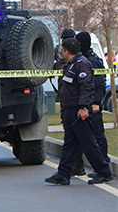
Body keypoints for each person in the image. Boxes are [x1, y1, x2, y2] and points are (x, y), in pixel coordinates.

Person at [45, 38, 113, 185]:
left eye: (62, 50)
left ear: (66, 51)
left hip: (78, 110)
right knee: (69, 144)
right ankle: (63, 174)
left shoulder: (82, 64)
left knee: (88, 142)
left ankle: (104, 172)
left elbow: (87, 87)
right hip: (70, 110)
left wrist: (83, 107)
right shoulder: (72, 65)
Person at [71, 31, 109, 177]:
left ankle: (103, 165)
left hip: (92, 105)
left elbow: (99, 83)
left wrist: (96, 103)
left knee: (98, 136)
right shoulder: (84, 59)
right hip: (85, 104)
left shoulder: (92, 60)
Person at [52, 28, 76, 120]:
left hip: (62, 79)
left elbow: (51, 62)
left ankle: (64, 118)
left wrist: (52, 71)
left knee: (63, 99)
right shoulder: (75, 48)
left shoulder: (58, 49)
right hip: (74, 78)